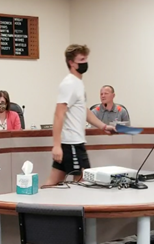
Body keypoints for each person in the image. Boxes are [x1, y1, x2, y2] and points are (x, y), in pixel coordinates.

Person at [46, 44, 115, 186]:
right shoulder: (69, 84)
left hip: (75, 142)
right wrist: (56, 146)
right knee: (82, 181)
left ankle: (35, 207)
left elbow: (84, 111)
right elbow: (59, 114)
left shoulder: (78, 83)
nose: (85, 63)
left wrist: (103, 126)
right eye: (81, 59)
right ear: (71, 62)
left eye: (86, 59)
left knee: (53, 181)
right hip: (71, 143)